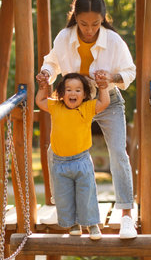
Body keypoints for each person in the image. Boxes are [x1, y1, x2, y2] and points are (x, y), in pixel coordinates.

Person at [36, 0, 137, 239]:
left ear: (103, 19)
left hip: (107, 100)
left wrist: (110, 78)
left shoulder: (113, 41)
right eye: (83, 24)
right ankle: (59, 198)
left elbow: (129, 72)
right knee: (54, 150)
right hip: (73, 102)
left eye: (95, 24)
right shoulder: (64, 37)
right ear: (75, 19)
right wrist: (45, 75)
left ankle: (126, 215)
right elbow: (52, 63)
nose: (90, 30)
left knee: (118, 152)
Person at [36, 73, 110, 240]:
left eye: (78, 90)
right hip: (59, 163)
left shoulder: (87, 107)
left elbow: (104, 102)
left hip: (81, 160)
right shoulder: (56, 107)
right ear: (62, 93)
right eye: (68, 89)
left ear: (84, 95)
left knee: (86, 193)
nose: (73, 93)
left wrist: (103, 88)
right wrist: (42, 88)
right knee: (64, 196)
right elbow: (40, 102)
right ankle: (73, 224)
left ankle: (92, 225)